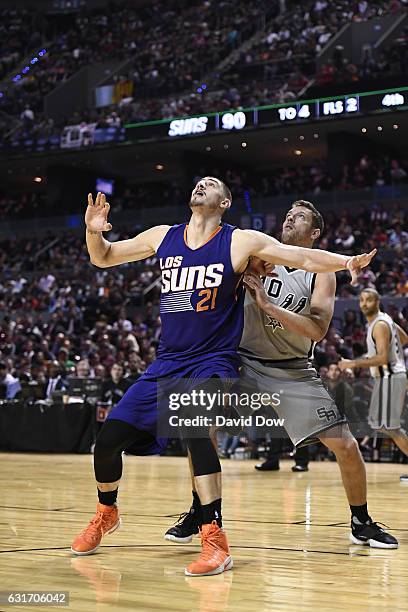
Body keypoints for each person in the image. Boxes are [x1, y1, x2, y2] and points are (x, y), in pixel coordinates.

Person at [71, 183, 375, 576]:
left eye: (211, 185)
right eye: (199, 183)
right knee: (107, 442)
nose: (201, 186)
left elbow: (299, 255)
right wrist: (94, 230)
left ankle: (214, 537)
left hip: (215, 359)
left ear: (225, 203)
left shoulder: (240, 241)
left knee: (196, 426)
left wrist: (345, 260)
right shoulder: (163, 236)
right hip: (168, 362)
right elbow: (103, 258)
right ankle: (106, 513)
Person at [166, 200, 397, 550]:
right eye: (288, 214)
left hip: (291, 369)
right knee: (199, 423)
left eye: (300, 216)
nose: (290, 218)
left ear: (315, 232)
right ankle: (202, 510)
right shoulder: (257, 253)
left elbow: (317, 330)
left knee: (346, 444)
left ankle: (360, 522)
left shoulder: (321, 273)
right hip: (239, 360)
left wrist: (268, 305)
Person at [339, 288, 408, 483]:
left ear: (378, 301)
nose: (364, 304)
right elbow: (404, 339)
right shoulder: (385, 321)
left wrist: (353, 363)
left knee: (389, 426)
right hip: (389, 377)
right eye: (361, 300)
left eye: (369, 300)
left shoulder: (379, 325)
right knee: (380, 424)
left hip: (390, 376)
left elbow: (383, 358)